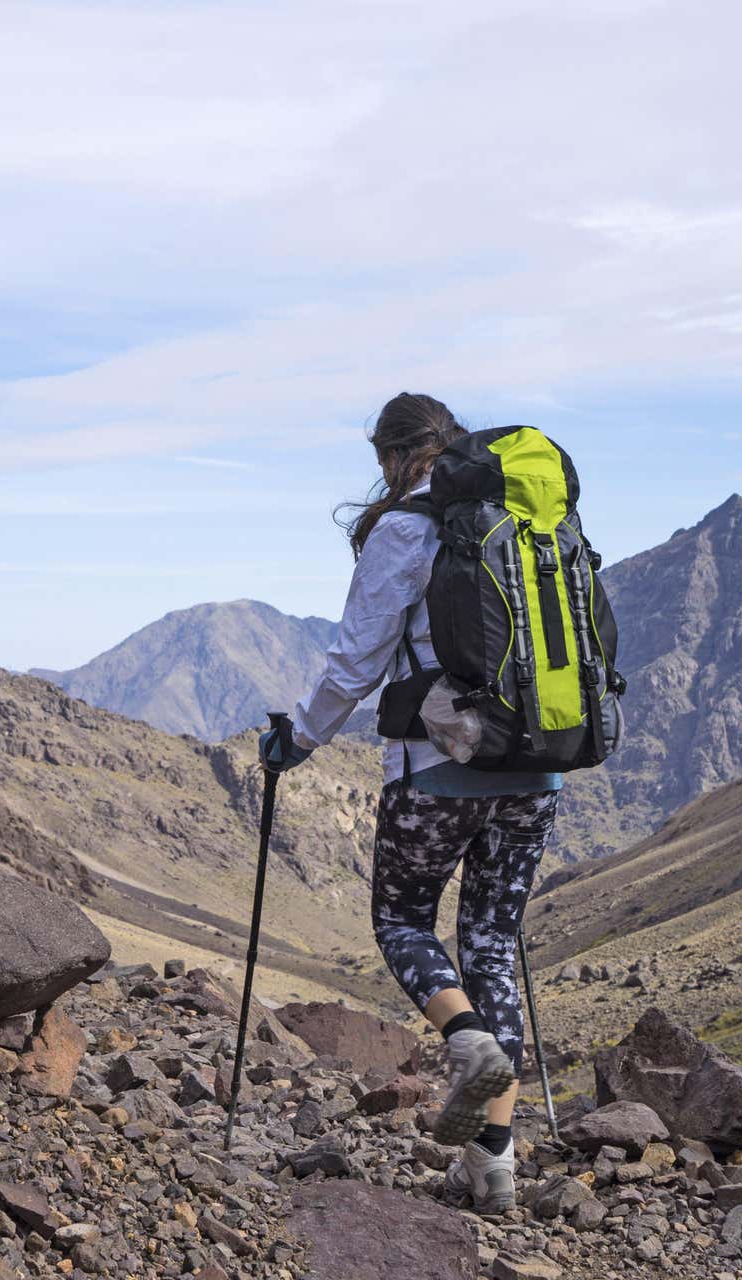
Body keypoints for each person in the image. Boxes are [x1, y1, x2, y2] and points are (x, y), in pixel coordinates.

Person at [260, 391, 564, 1217]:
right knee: (493, 944)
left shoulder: (406, 529)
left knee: (401, 922)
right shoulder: (531, 521)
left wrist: (301, 741)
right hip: (539, 767)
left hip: (438, 768)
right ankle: (493, 1168)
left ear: (395, 456)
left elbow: (355, 663)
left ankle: (466, 1045)